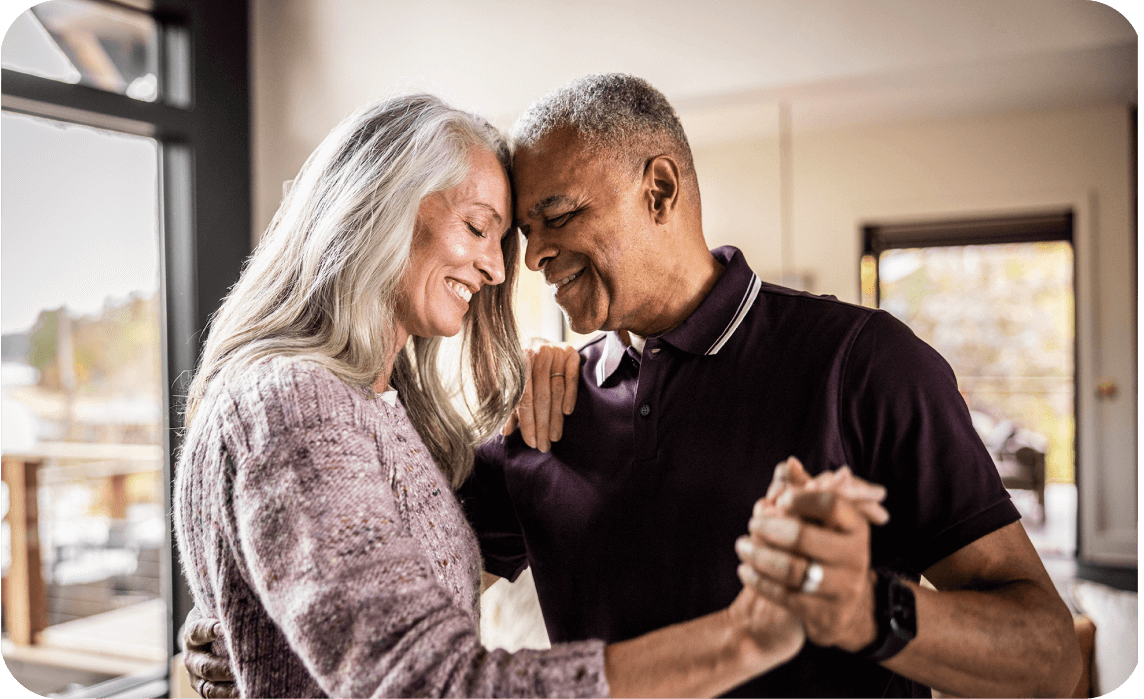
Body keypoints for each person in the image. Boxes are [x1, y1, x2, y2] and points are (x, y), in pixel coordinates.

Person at [185, 76, 1083, 698]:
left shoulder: (865, 361)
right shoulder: (547, 413)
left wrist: (875, 612)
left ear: (660, 187)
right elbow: (385, 571)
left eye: (557, 218)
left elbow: (1048, 654)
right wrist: (252, 608)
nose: (525, 262)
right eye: (514, 232)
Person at [172, 92, 809, 699]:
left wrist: (247, 614)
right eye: (480, 228)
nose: (503, 269)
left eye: (503, 241)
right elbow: (429, 683)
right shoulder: (293, 404)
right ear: (377, 206)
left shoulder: (373, 404)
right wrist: (743, 639)